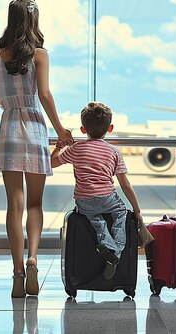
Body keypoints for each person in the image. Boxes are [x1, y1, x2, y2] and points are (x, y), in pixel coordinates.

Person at [0, 0, 73, 298]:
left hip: (8, 130)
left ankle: (18, 271)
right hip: (35, 130)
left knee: (14, 205)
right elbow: (44, 95)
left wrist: (8, 101)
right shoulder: (39, 55)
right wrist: (60, 130)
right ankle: (33, 256)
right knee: (35, 204)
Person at [51, 102, 143, 280]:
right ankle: (115, 252)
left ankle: (106, 245)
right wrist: (137, 211)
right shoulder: (113, 152)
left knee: (96, 220)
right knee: (120, 213)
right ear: (110, 128)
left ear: (83, 129)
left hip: (84, 201)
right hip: (107, 198)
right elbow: (125, 184)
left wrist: (58, 145)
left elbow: (51, 162)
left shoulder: (76, 149)